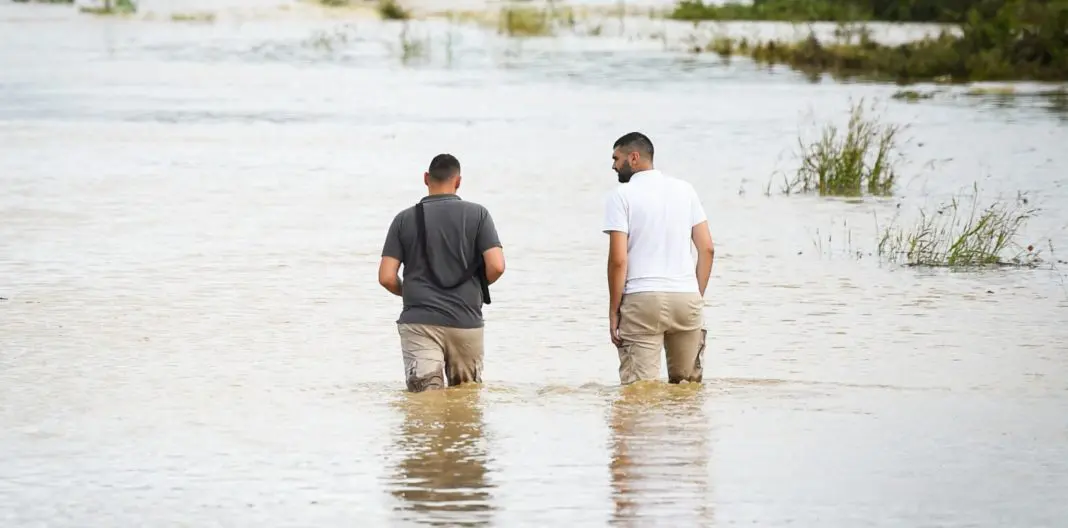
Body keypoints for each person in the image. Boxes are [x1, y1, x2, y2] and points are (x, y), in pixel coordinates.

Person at [378, 153, 506, 392]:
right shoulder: (479, 215)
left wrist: (414, 293)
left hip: (419, 322)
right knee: (466, 401)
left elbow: (386, 276)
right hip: (466, 321)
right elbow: (497, 265)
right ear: (458, 181)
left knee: (424, 403)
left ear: (426, 178)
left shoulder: (403, 219)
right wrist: (476, 287)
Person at [602, 132, 715, 385]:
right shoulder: (685, 190)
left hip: (642, 299)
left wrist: (613, 310)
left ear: (634, 158)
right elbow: (707, 248)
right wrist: (695, 294)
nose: (613, 165)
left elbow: (618, 261)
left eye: (616, 158)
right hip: (686, 298)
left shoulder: (620, 196)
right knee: (687, 389)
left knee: (640, 392)